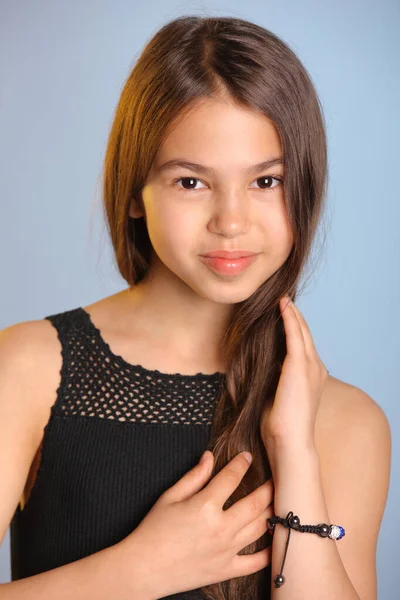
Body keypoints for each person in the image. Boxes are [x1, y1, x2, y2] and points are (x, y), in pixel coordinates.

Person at [0, 14, 391, 600]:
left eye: (266, 182)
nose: (230, 222)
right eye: (191, 182)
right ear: (135, 190)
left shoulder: (346, 421)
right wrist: (137, 571)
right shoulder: (31, 367)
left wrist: (293, 451)